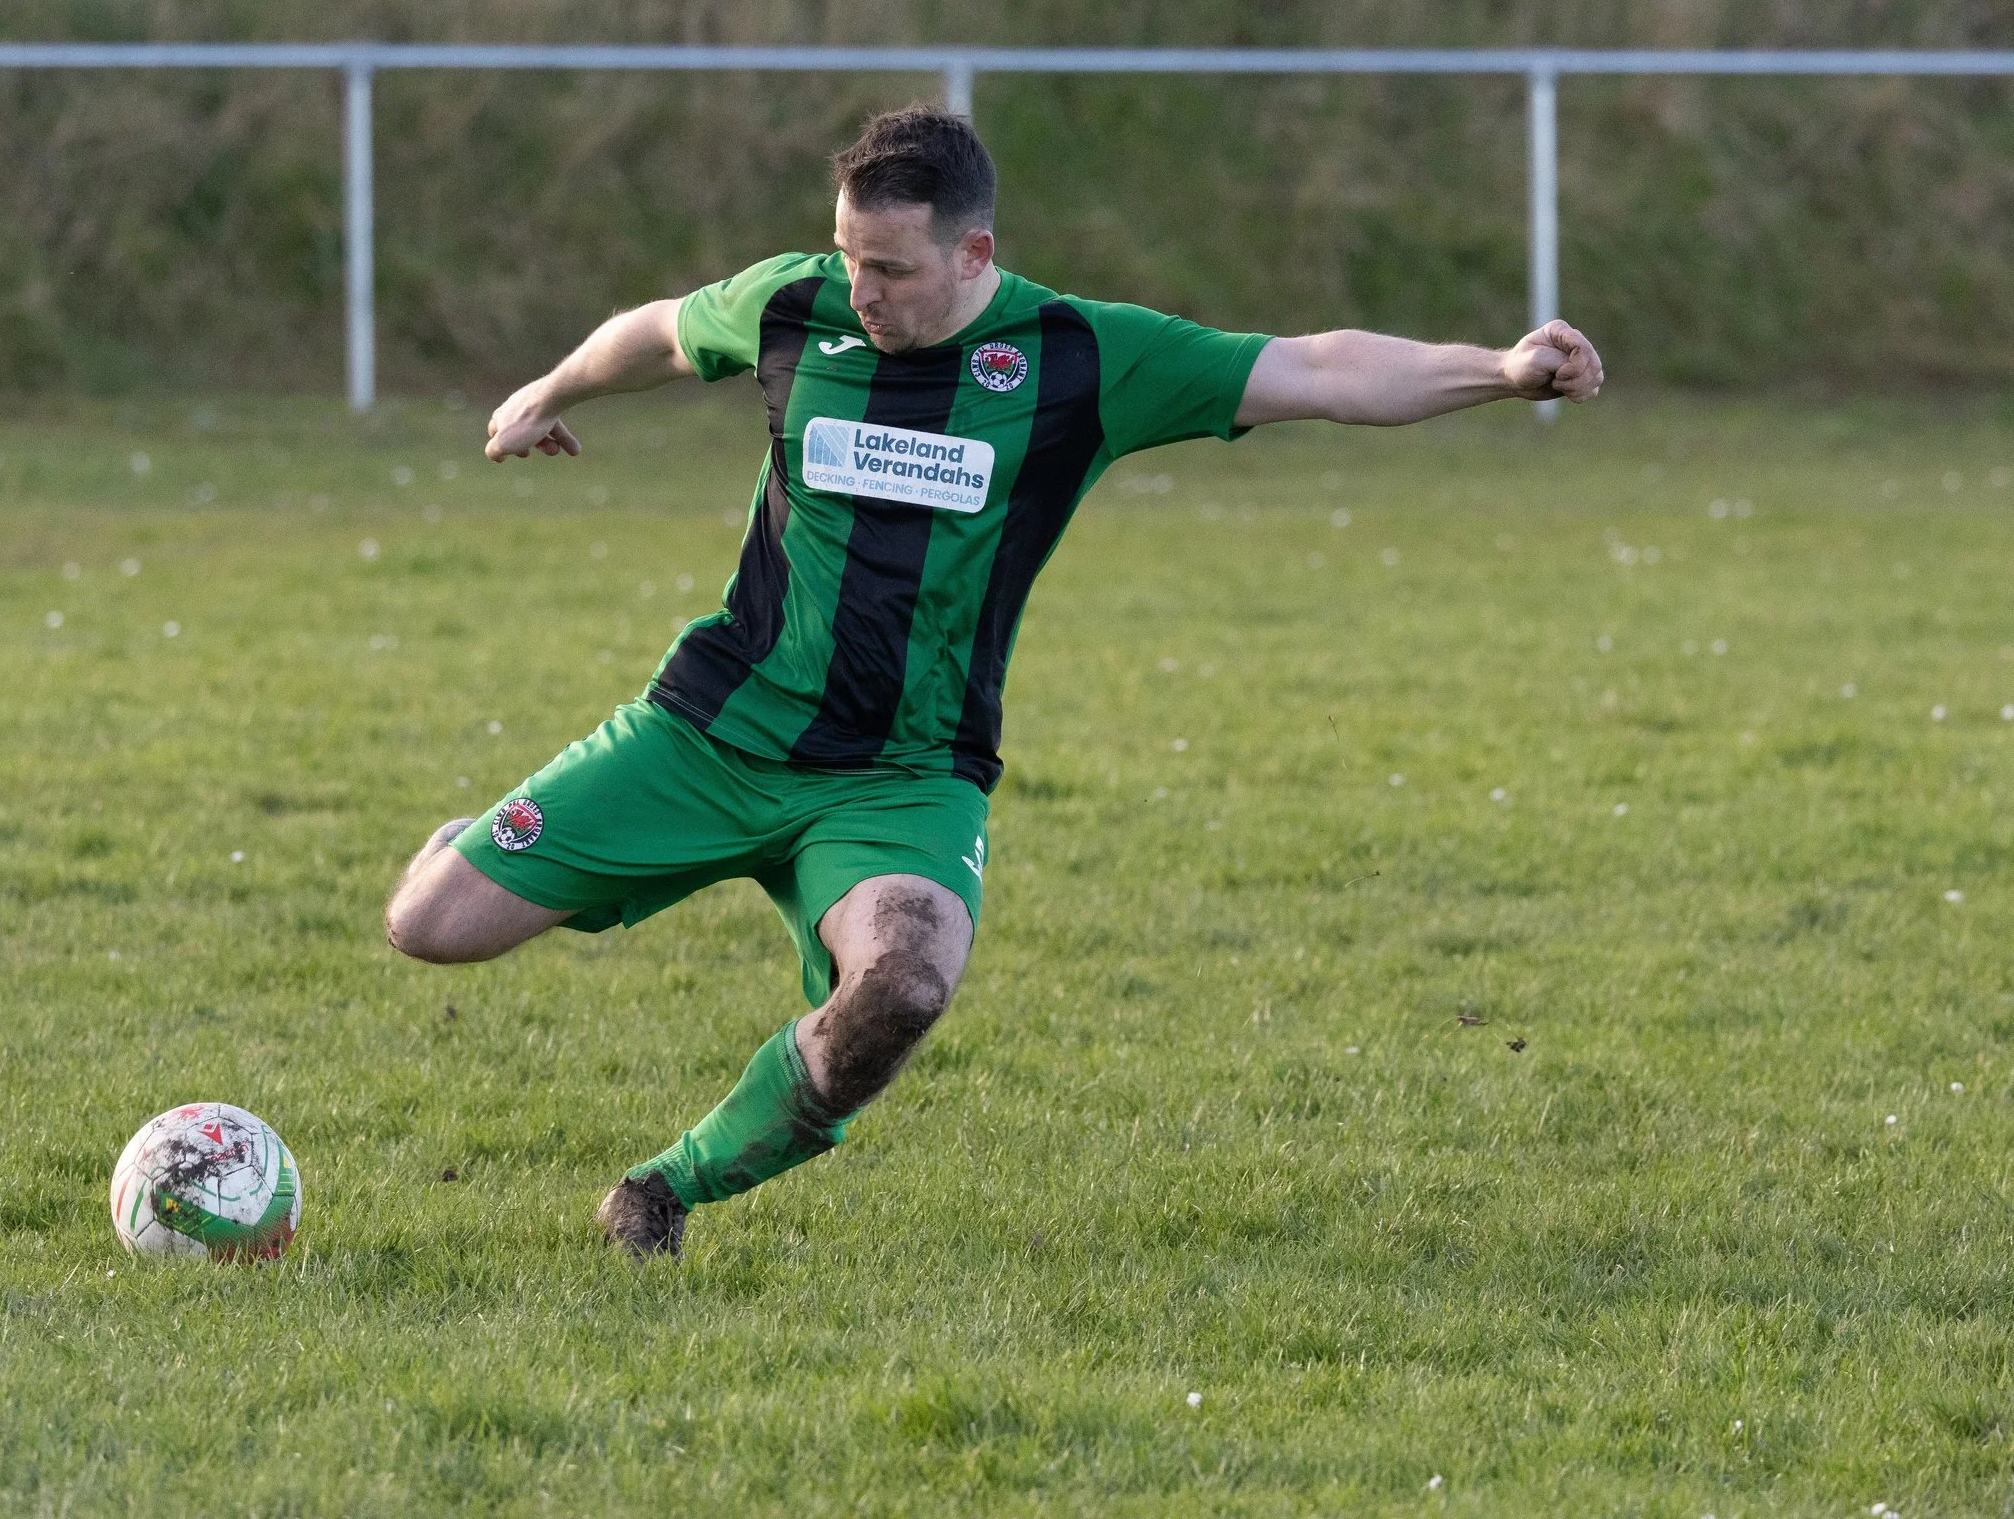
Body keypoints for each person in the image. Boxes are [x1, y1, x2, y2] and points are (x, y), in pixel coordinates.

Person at [385, 104, 1603, 1258]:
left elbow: (1318, 369)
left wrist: (1497, 370)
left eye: (895, 270)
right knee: (426, 929)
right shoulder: (792, 307)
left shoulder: (1077, 356)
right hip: (712, 729)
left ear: (975, 252)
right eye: (850, 258)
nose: (863, 293)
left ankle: (663, 1189)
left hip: (904, 778)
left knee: (904, 985)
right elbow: (655, 329)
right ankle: (477, 849)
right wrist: (552, 386)